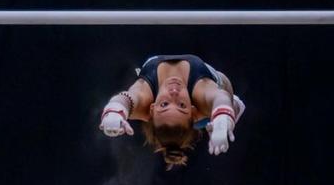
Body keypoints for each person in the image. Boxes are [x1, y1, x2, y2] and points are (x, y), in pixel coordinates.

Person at [100, 54, 246, 169]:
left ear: (152, 107)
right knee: (223, 99)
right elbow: (219, 97)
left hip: (188, 112)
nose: (174, 92)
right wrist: (223, 115)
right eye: (182, 105)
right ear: (193, 111)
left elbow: (125, 99)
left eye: (164, 104)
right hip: (213, 98)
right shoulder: (200, 94)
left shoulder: (145, 98)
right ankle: (230, 111)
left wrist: (114, 111)